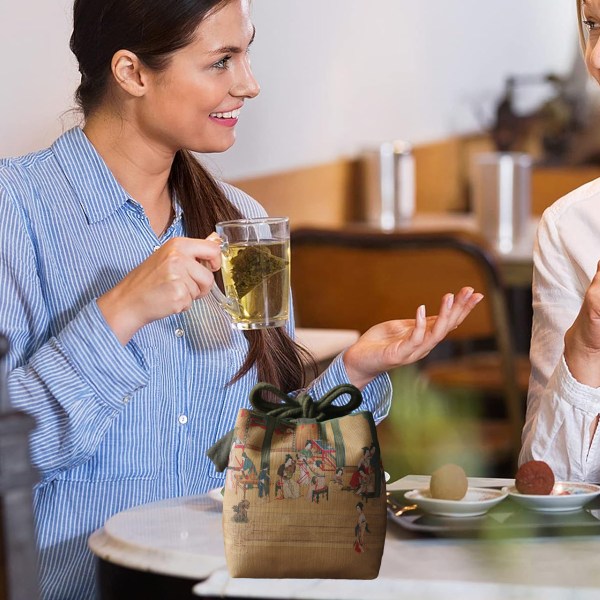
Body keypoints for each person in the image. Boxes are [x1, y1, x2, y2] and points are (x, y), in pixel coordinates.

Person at [0, 0, 483, 597]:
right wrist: (119, 312)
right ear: (131, 73)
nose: (249, 84)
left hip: (235, 580)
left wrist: (354, 370)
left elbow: (269, 459)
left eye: (246, 54)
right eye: (221, 61)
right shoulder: (15, 211)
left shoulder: (243, 223)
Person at [520, 0, 600, 482]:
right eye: (593, 25)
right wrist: (587, 349)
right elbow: (543, 484)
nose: (596, 57)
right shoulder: (571, 228)